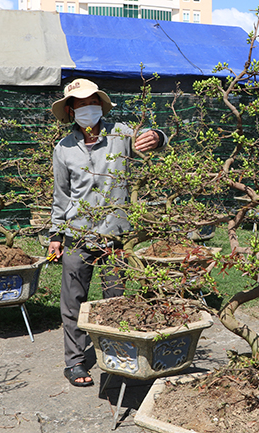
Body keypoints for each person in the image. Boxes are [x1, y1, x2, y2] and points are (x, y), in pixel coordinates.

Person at [47, 78, 167, 387]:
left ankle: (117, 354)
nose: (88, 109)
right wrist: (55, 235)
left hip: (115, 236)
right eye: (81, 104)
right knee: (74, 300)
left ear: (101, 105)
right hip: (77, 234)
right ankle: (74, 362)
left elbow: (150, 140)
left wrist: (157, 136)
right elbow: (61, 195)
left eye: (92, 102)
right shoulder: (63, 148)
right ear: (71, 111)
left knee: (116, 300)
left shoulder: (121, 133)